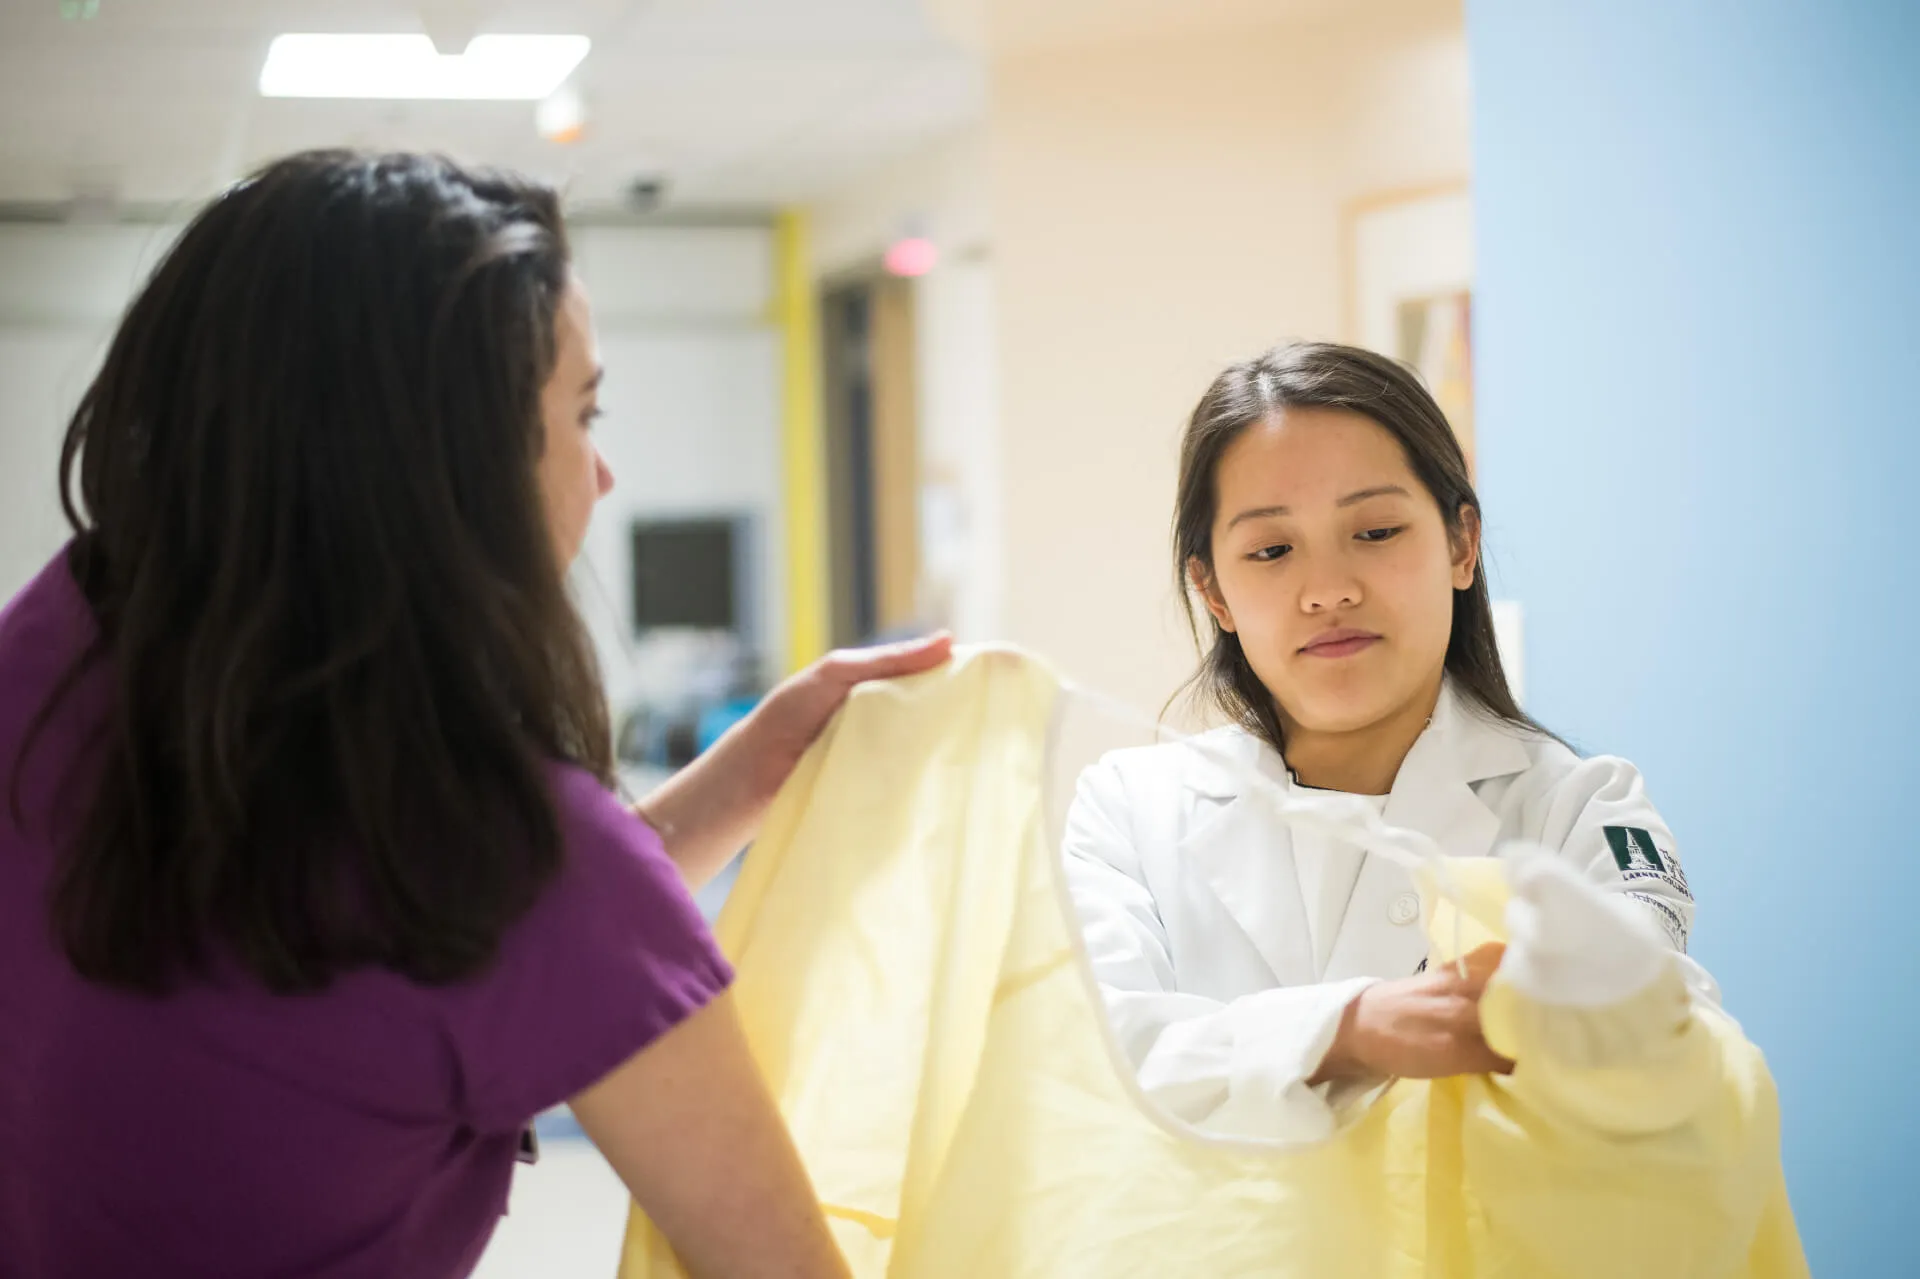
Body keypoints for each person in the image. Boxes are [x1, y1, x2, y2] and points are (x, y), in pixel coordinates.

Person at [0, 150, 949, 1279]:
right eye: (582, 414)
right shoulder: (520, 856)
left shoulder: (61, 645)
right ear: (448, 458)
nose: (601, 477)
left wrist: (738, 778)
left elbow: (445, 939)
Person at [1062, 342, 1710, 1143]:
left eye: (1374, 530)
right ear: (1214, 590)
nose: (1329, 588)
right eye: (1271, 550)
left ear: (1460, 545)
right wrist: (1347, 1028)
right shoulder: (1128, 812)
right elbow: (1090, 1061)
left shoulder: (1580, 810)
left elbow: (1674, 1041)